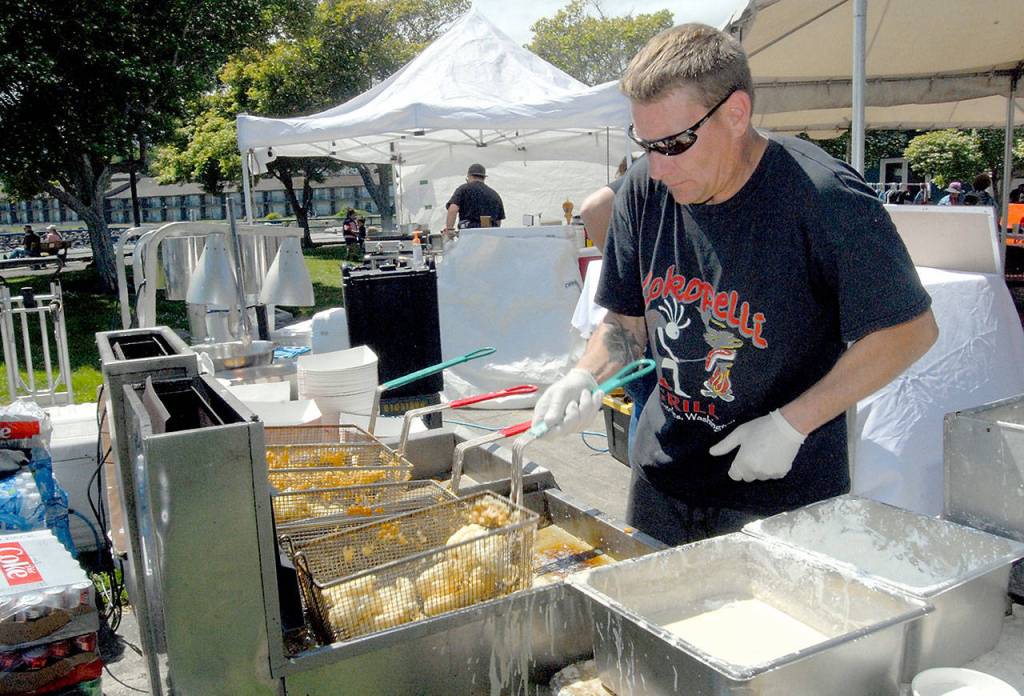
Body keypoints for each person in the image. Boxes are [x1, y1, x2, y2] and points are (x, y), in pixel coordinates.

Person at [531, 23, 938, 546]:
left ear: (736, 113)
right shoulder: (642, 190)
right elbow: (626, 323)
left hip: (781, 496)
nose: (656, 168)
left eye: (675, 144)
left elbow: (910, 329)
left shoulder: (822, 196)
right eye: (645, 144)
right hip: (663, 481)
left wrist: (792, 423)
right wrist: (586, 377)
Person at [443, 163, 505, 233]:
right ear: (484, 177)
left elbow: (453, 209)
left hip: (469, 235)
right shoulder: (495, 195)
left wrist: (449, 230)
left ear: (470, 176)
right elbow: (498, 221)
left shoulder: (464, 189)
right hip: (489, 237)